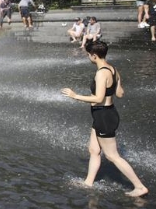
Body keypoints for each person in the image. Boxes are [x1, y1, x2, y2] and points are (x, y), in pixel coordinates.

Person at [61, 41, 148, 197]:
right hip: (105, 113)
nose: (88, 57)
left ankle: (139, 186)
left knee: (112, 156)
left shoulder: (101, 72)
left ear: (94, 56)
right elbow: (120, 94)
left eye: (88, 55)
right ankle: (88, 182)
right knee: (94, 150)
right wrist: (115, 85)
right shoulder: (113, 69)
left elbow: (99, 97)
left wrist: (75, 96)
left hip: (104, 115)